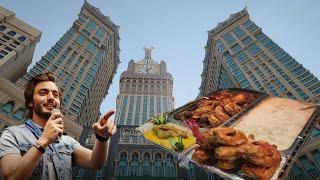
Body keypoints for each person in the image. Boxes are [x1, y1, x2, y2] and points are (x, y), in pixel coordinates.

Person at [0, 72, 117, 179]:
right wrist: (44, 140)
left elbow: (96, 163)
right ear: (30, 101)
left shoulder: (67, 142)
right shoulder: (12, 134)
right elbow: (11, 177)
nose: (51, 97)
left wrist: (102, 138)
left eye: (55, 95)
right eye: (43, 93)